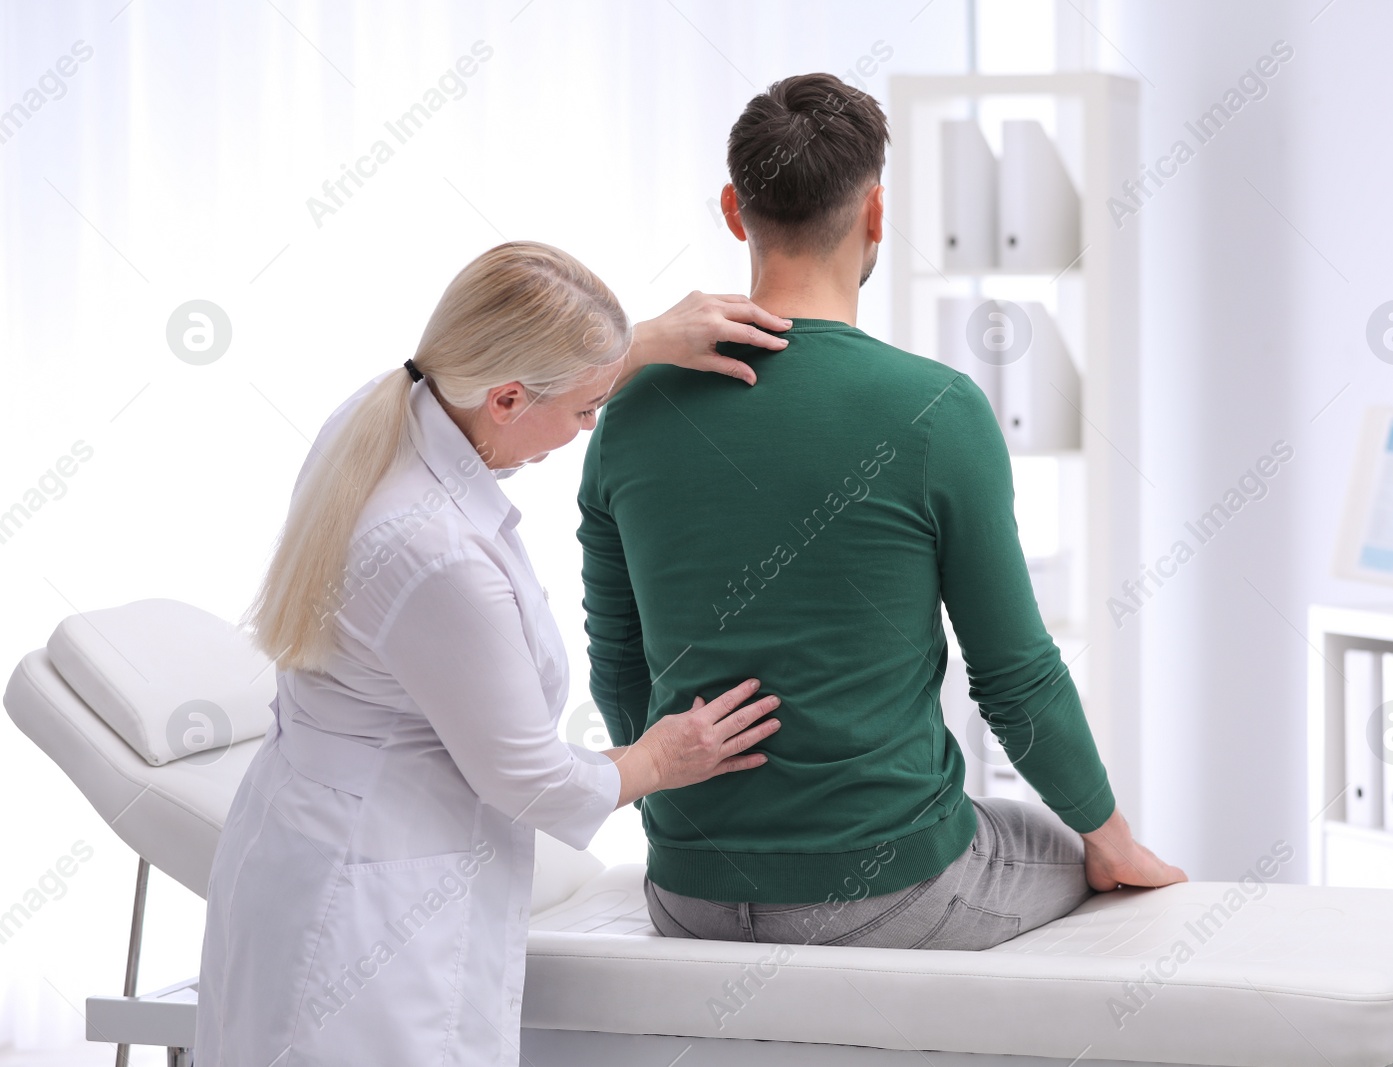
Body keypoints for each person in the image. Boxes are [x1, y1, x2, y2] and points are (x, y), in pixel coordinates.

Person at [577, 73, 1185, 952]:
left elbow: (618, 668)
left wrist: (699, 827)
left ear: (733, 209)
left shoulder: (626, 412)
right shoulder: (937, 409)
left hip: (686, 890)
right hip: (890, 890)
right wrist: (1113, 840)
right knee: (1067, 849)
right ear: (875, 215)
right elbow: (1016, 677)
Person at [195, 242, 792, 1065]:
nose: (590, 427)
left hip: (305, 842)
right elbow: (530, 778)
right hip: (366, 902)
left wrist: (645, 339)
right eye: (586, 409)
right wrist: (660, 757)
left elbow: (532, 377)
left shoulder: (383, 408)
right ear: (508, 397)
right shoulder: (435, 553)